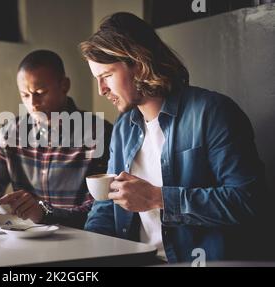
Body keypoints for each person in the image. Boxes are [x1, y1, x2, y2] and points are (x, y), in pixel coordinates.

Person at [80, 12, 267, 263]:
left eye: (107, 76)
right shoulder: (124, 127)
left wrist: (158, 198)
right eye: (97, 80)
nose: (102, 90)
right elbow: (106, 205)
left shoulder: (212, 112)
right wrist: (88, 256)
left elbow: (248, 202)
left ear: (139, 63)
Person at [0, 50, 113, 229]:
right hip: (26, 239)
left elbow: (99, 209)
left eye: (40, 92)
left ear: (64, 85)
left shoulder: (99, 133)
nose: (33, 103)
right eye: (25, 95)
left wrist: (45, 213)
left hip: (80, 240)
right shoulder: (11, 133)